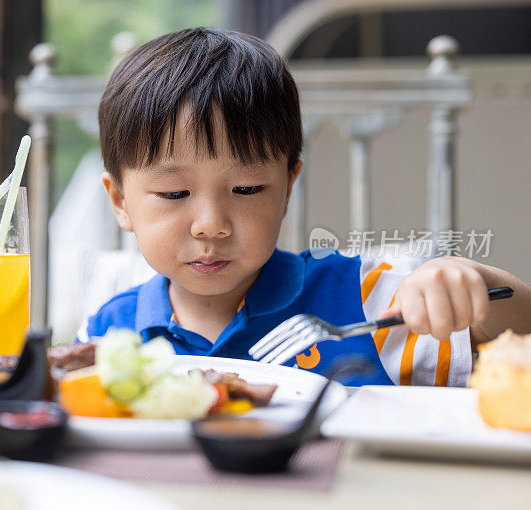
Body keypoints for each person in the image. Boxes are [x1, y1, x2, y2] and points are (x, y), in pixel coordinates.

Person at [80, 27, 531, 386]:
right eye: (175, 194)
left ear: (287, 189)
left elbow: (523, 333)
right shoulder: (108, 334)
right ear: (120, 201)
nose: (211, 226)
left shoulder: (366, 300)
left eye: (248, 188)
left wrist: (469, 282)